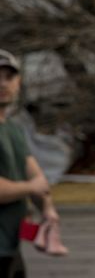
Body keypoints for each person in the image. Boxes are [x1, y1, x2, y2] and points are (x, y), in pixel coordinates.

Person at [0, 49, 68, 278]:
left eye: (9, 77)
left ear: (18, 82)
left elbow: (37, 176)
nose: (3, 84)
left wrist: (47, 208)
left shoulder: (14, 130)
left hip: (10, 247)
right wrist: (31, 188)